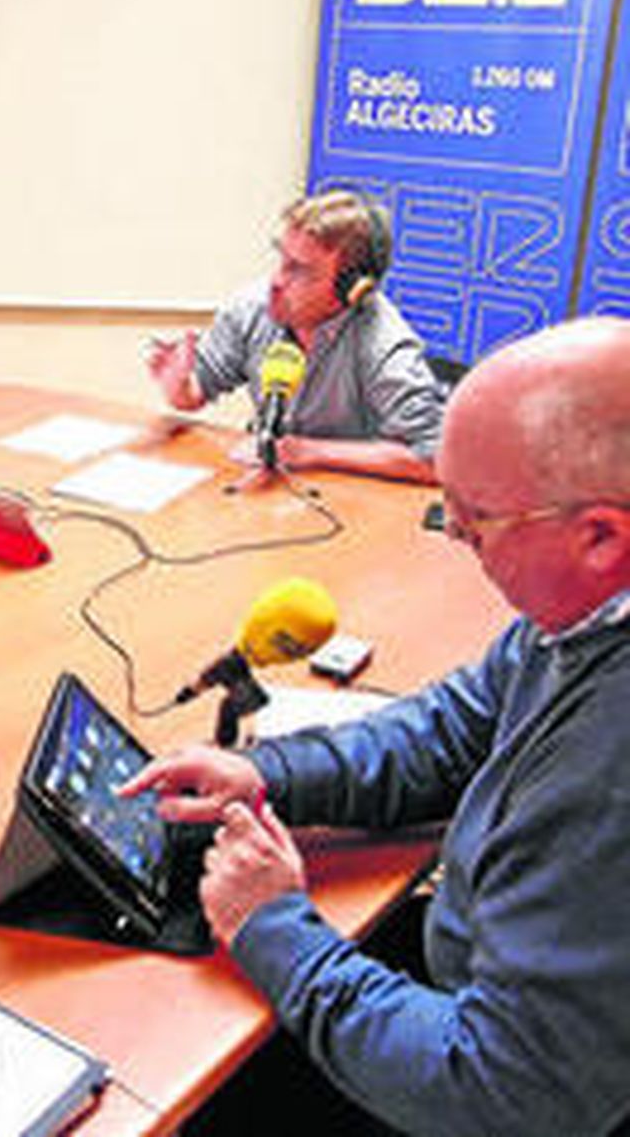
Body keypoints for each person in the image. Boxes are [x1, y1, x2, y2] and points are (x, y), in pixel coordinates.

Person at [124, 315, 630, 1135]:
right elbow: (454, 729)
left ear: (601, 536)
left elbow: (503, 1093)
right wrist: (271, 774)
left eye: (475, 518)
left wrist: (271, 926)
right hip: (489, 996)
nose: (455, 534)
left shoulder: (610, 769)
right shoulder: (581, 611)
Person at [146, 190, 443, 484]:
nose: (276, 281)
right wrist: (178, 386)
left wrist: (309, 451)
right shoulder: (253, 308)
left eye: (299, 270)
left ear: (352, 291)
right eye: (282, 259)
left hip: (353, 497)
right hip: (272, 486)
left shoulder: (384, 345)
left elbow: (434, 460)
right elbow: (195, 393)